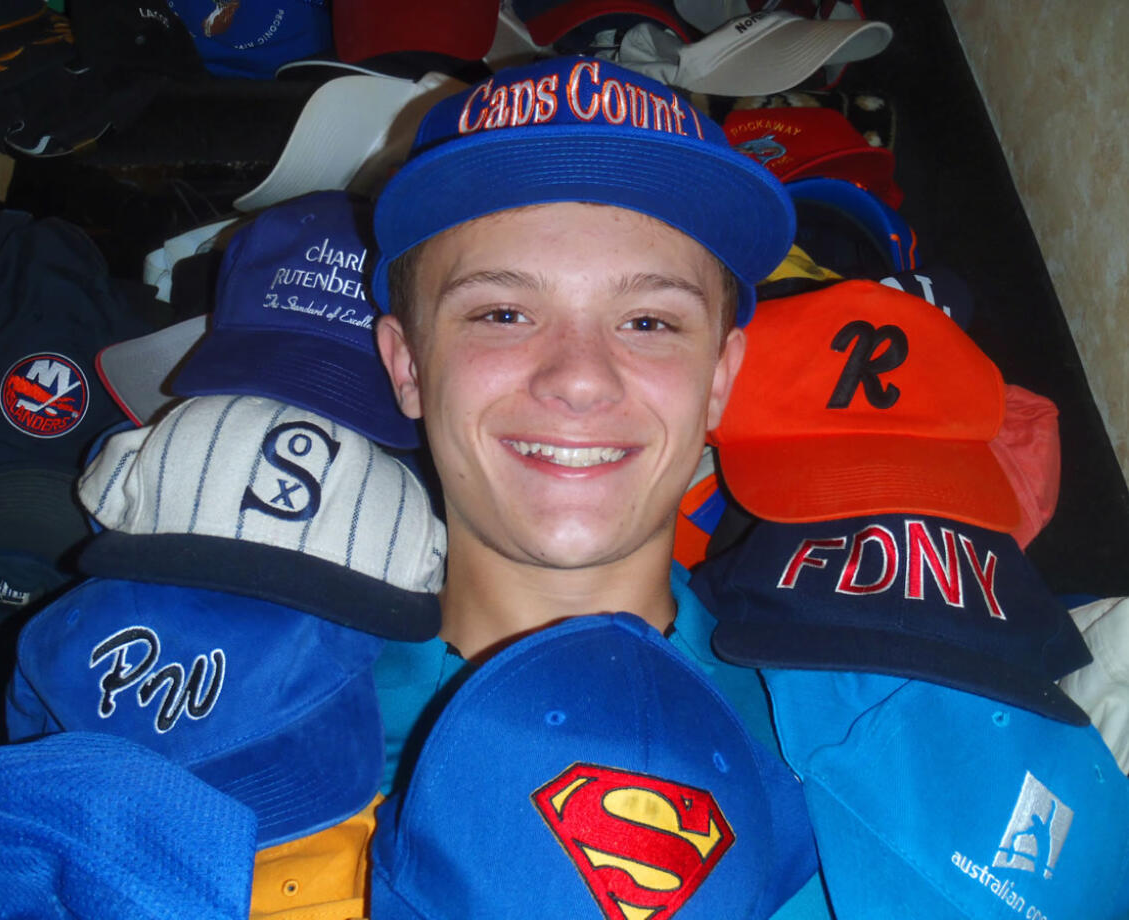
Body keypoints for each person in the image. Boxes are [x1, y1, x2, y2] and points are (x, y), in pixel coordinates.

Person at [251, 55, 835, 919]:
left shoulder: (837, 754)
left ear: (718, 378)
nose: (579, 379)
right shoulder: (247, 720)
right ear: (407, 364)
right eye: (503, 313)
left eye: (648, 321)